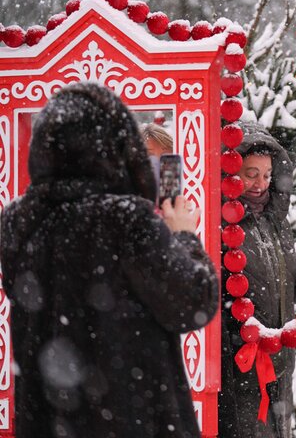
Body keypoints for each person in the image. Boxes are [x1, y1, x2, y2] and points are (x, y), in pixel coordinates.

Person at [0, 82, 219, 438]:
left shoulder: (18, 221)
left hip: (51, 419)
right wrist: (184, 236)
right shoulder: (125, 217)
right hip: (128, 418)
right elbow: (193, 301)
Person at [219, 121, 296, 438]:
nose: (260, 184)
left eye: (267, 175)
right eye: (251, 173)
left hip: (279, 358)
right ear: (230, 172)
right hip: (239, 361)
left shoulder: (275, 224)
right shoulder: (221, 226)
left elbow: (290, 282)